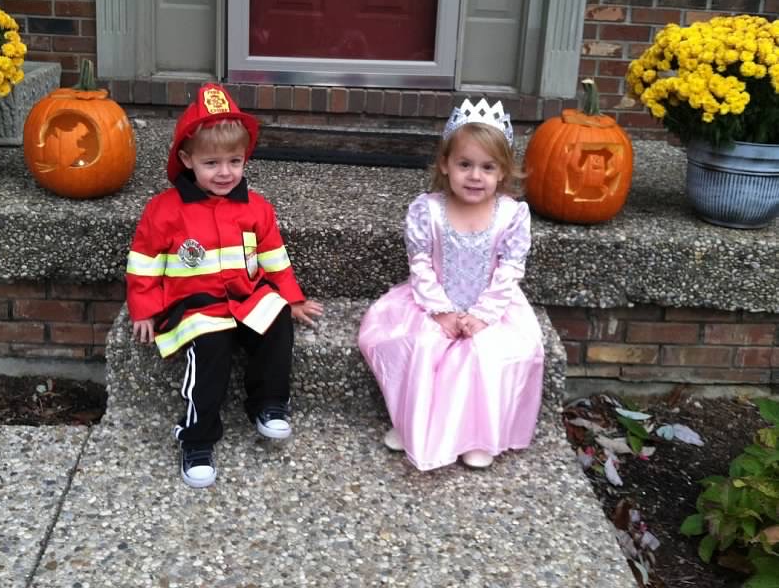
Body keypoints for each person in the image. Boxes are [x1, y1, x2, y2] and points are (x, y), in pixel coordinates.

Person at [126, 84, 324, 489]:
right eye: (211, 163)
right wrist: (144, 309)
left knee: (277, 322)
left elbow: (274, 257)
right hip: (195, 306)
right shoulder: (164, 210)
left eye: (235, 161)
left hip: (246, 296)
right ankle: (197, 440)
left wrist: (291, 298)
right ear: (187, 160)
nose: (225, 173)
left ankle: (270, 404)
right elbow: (144, 264)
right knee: (210, 350)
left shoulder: (256, 207)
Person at [358, 99, 544, 471]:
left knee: (485, 353)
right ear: (445, 164)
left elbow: (510, 269)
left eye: (487, 167)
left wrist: (483, 315)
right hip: (433, 300)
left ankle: (477, 437)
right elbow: (421, 264)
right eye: (465, 164)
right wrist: (441, 310)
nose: (475, 176)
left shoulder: (510, 215)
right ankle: (413, 425)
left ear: (503, 171)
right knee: (421, 345)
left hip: (491, 307)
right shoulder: (428, 210)